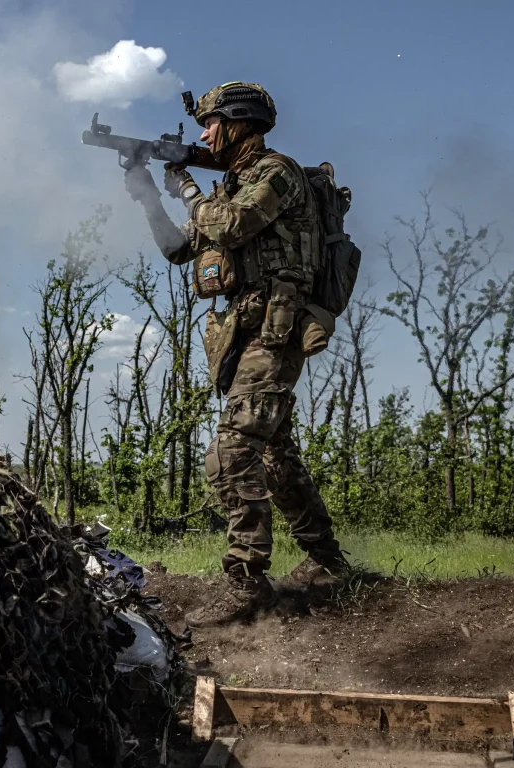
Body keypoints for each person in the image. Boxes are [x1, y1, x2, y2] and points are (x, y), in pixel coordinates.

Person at [124, 82, 349, 625]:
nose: (203, 134)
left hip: (278, 331)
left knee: (229, 450)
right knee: (274, 457)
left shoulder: (277, 173)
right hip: (244, 334)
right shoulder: (229, 187)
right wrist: (147, 190)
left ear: (238, 124)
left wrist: (182, 181)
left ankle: (247, 582)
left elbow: (228, 224)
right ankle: (331, 566)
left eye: (210, 124)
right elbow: (180, 248)